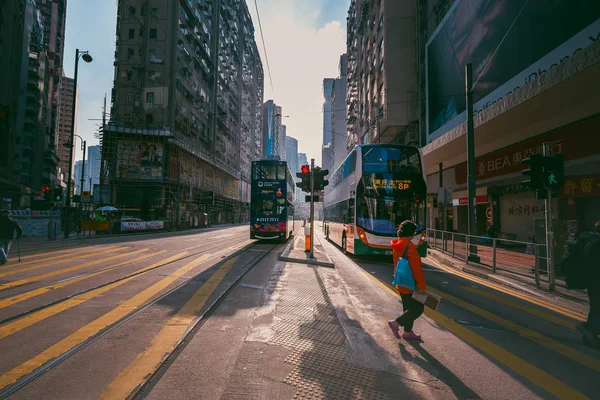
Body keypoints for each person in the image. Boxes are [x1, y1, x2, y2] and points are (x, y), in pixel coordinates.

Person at [388, 220, 426, 340]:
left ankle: (408, 332)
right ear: (411, 234)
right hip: (411, 284)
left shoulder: (397, 244)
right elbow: (417, 270)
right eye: (414, 233)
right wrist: (421, 286)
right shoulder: (410, 248)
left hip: (401, 281)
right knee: (418, 308)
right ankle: (396, 323)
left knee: (408, 307)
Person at [573, 221, 600, 348]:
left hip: (594, 284)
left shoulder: (593, 244)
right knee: (596, 309)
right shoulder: (596, 245)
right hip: (596, 284)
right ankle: (587, 330)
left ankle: (588, 334)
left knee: (596, 309)